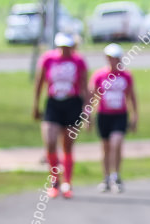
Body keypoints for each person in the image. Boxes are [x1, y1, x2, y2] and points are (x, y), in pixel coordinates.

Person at [32, 33, 88, 198]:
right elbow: (39, 82)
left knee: (67, 145)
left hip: (73, 104)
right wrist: (35, 105)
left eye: (67, 47)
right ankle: (54, 180)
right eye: (62, 47)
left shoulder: (78, 61)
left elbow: (84, 86)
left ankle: (67, 182)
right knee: (50, 141)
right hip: (53, 104)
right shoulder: (48, 59)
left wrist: (87, 111)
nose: (65, 50)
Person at [90, 43, 137, 193]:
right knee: (105, 148)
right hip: (104, 115)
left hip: (120, 114)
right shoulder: (99, 75)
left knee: (116, 143)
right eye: (110, 58)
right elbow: (92, 97)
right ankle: (106, 177)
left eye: (115, 58)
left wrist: (135, 116)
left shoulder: (126, 76)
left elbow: (131, 97)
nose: (113, 61)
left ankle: (116, 175)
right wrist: (87, 116)